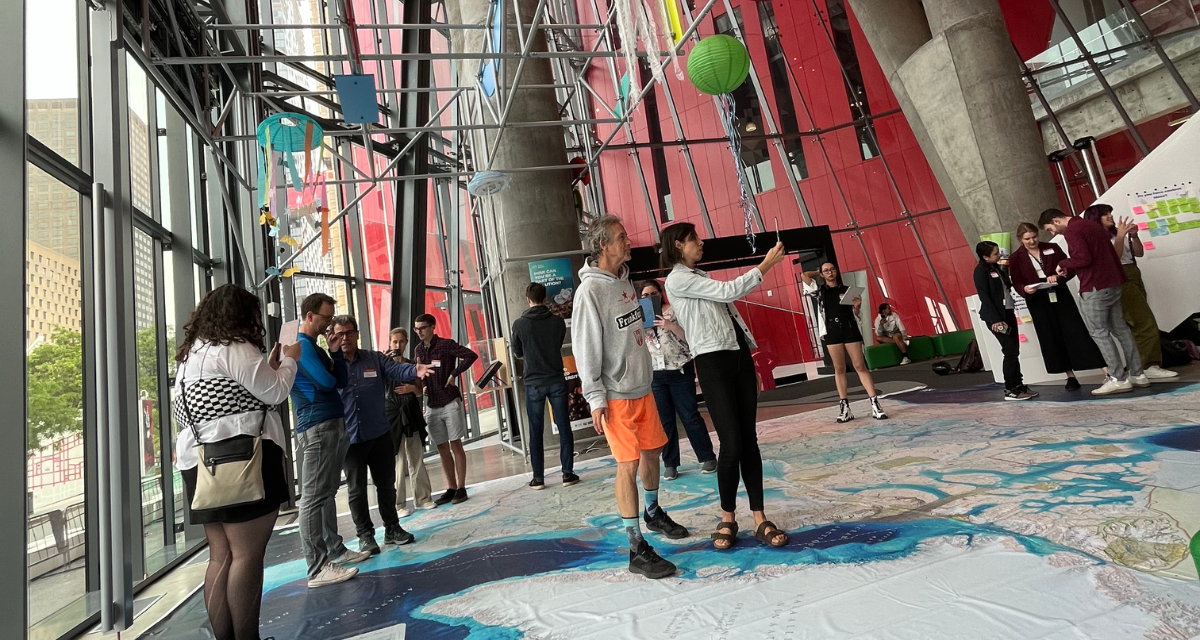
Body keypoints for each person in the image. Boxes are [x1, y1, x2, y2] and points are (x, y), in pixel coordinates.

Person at [173, 284, 300, 640]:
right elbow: (275, 392)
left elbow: (236, 391)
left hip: (198, 463)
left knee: (220, 557)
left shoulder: (190, 355)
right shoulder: (236, 347)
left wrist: (269, 365)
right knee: (246, 556)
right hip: (244, 458)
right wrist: (290, 359)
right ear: (243, 316)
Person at [661, 223, 790, 551]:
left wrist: (750, 361)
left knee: (750, 441)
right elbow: (727, 292)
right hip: (712, 362)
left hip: (737, 358)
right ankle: (727, 517)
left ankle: (759, 517)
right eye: (695, 239)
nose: (701, 243)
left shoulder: (700, 275)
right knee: (731, 444)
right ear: (679, 245)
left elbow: (728, 315)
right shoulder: (678, 278)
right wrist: (765, 266)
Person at [573, 215, 688, 580]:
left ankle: (652, 512)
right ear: (604, 244)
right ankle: (635, 546)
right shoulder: (589, 292)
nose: (629, 241)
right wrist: (595, 397)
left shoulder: (624, 282)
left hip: (642, 386)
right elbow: (585, 347)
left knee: (653, 450)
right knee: (628, 465)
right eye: (622, 237)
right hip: (616, 395)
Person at [330, 315, 429, 555]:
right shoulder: (331, 366)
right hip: (350, 440)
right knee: (356, 490)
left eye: (349, 333)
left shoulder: (374, 358)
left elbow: (396, 368)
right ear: (332, 337)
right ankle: (365, 536)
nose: (345, 338)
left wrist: (415, 369)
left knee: (386, 485)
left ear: (356, 334)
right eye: (340, 334)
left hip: (379, 433)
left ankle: (393, 528)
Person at [291, 292, 370, 588]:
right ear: (310, 316)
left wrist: (334, 354)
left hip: (331, 424)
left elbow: (341, 380)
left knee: (325, 493)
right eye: (326, 319)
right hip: (317, 425)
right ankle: (317, 566)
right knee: (313, 497)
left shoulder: (317, 347)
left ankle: (334, 550)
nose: (330, 326)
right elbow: (326, 382)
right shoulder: (301, 347)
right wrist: (329, 367)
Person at [1041, 208, 1150, 395]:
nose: (1052, 233)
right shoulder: (1091, 225)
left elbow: (1083, 258)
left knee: (1099, 333)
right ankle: (1138, 374)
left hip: (1095, 287)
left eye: (1050, 229)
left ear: (1056, 221)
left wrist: (1063, 264)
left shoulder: (1073, 231)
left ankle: (1117, 378)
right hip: (1114, 283)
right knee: (1121, 329)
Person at [1082, 204, 1178, 381]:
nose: (1110, 216)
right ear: (1095, 218)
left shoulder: (1118, 232)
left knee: (1137, 320)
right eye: (1105, 215)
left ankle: (1142, 365)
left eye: (1110, 212)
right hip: (1120, 275)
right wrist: (1120, 236)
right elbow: (1113, 260)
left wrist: (1134, 236)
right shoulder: (1098, 237)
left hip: (1133, 272)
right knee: (1143, 321)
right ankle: (1148, 365)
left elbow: (1139, 253)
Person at [1009, 222, 1106, 390]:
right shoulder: (1015, 258)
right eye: (1028, 239)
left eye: (1034, 237)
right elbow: (1017, 282)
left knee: (1076, 330)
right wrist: (1025, 289)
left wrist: (1058, 276)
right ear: (1020, 239)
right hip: (1037, 299)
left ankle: (1105, 370)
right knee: (1051, 335)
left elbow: (1070, 268)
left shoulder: (1052, 247)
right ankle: (1070, 376)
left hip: (1059, 293)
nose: (1032, 241)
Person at [638, 279, 717, 481]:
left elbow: (689, 337)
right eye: (645, 296)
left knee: (689, 414)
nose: (649, 298)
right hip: (656, 373)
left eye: (653, 294)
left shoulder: (674, 311)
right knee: (665, 421)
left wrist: (669, 325)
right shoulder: (640, 319)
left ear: (661, 293)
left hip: (680, 369)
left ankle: (707, 457)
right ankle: (670, 463)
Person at [511, 282, 581, 490]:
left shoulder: (519, 324)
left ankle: (538, 478)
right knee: (564, 426)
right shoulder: (557, 322)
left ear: (527, 298)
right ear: (545, 297)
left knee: (535, 430)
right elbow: (557, 344)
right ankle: (567, 473)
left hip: (533, 382)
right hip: (556, 378)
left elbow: (518, 352)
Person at [801, 263, 890, 421]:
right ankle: (845, 408)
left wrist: (857, 306)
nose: (830, 272)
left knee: (859, 365)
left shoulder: (847, 290)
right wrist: (817, 271)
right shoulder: (819, 291)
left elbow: (855, 313)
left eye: (832, 269)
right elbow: (804, 276)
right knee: (839, 368)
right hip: (831, 329)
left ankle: (875, 404)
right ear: (822, 274)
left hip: (849, 327)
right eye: (826, 271)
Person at [412, 313, 479, 505]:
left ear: (432, 327)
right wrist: (422, 385)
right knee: (441, 446)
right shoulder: (418, 349)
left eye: (422, 328)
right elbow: (420, 372)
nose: (419, 332)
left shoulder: (446, 344)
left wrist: (454, 374)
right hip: (432, 403)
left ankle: (461, 487)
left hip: (449, 400)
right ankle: (450, 487)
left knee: (455, 444)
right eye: (417, 329)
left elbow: (470, 355)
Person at [972, 242, 1038, 401]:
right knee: (1009, 351)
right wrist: (996, 319)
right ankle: (1010, 388)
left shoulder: (996, 268)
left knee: (1014, 351)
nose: (999, 255)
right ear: (985, 257)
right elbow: (984, 296)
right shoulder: (980, 271)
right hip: (996, 317)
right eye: (995, 254)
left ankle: (1018, 384)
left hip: (1008, 311)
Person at [385, 328, 437, 516]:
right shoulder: (383, 364)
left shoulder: (411, 364)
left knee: (416, 457)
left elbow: (419, 391)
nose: (397, 345)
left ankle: (423, 498)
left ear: (406, 343)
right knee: (398, 461)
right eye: (394, 342)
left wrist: (410, 388)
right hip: (392, 416)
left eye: (401, 342)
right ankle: (398, 504)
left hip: (411, 413)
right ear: (390, 343)